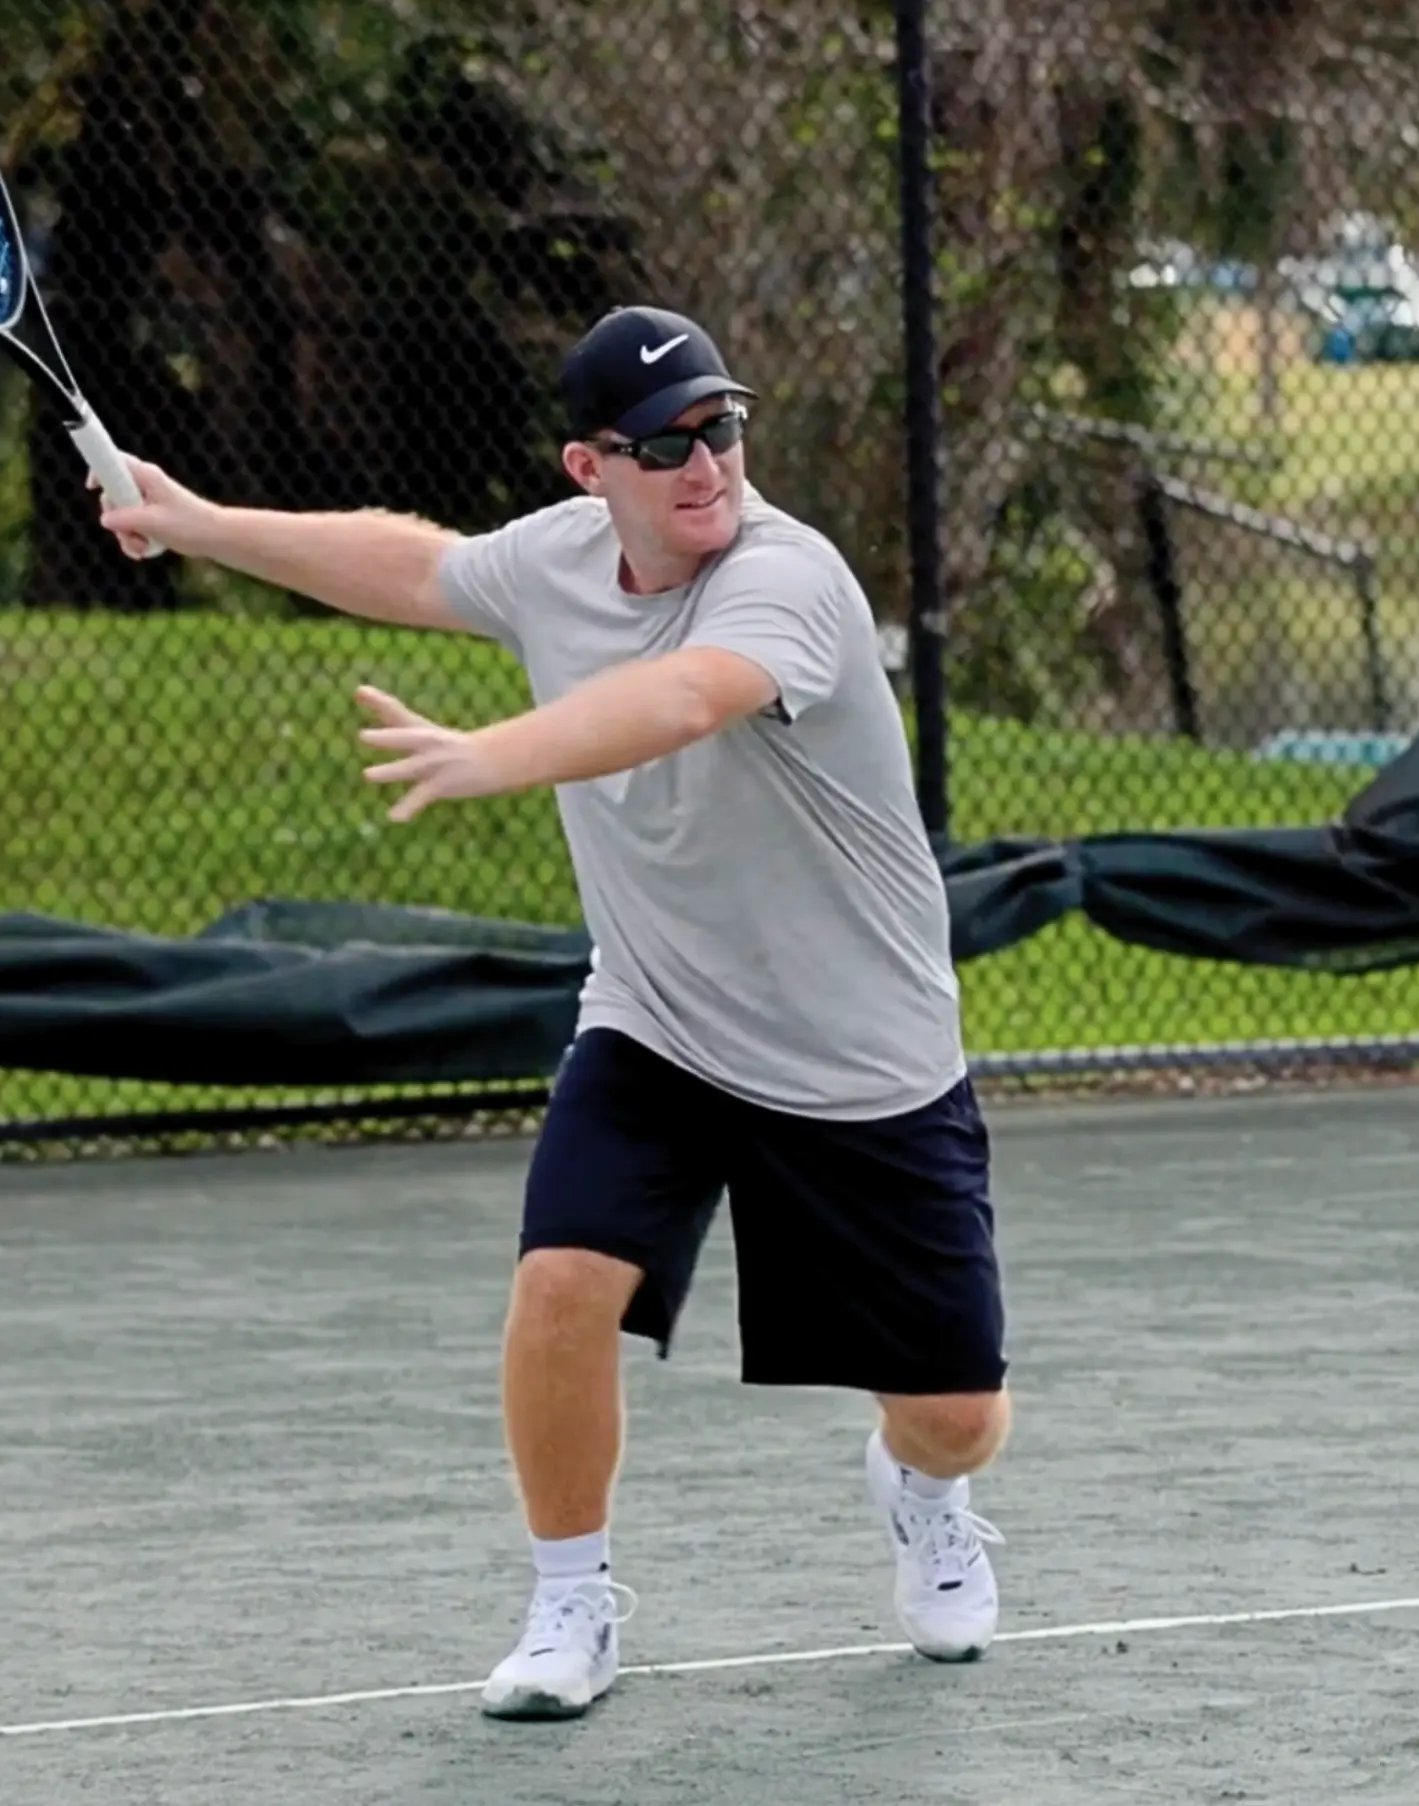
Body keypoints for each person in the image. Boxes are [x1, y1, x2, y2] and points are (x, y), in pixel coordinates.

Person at [96, 306, 1010, 1722]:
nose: (706, 464)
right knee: (563, 1285)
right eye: (664, 445)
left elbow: (685, 696)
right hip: (657, 1019)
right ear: (592, 468)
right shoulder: (560, 559)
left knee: (957, 1416)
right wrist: (200, 522)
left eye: (721, 427)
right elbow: (416, 562)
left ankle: (922, 1491)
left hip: (861, 1059)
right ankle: (569, 1597)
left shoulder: (789, 577)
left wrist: (498, 753)